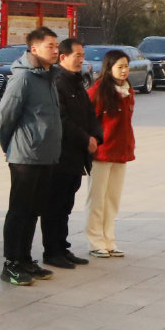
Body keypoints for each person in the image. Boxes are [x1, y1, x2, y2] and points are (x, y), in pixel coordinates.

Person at [0, 27, 62, 285]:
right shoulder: (23, 78)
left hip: (45, 155)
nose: (55, 51)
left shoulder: (48, 76)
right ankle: (10, 263)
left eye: (56, 46)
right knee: (19, 210)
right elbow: (4, 118)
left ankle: (24, 259)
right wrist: (10, 146)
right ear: (34, 49)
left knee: (34, 210)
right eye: (50, 46)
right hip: (25, 156)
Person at [41, 38, 97, 271]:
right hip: (60, 155)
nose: (81, 60)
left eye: (83, 55)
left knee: (66, 205)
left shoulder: (76, 82)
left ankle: (62, 247)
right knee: (54, 205)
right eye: (77, 55)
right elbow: (61, 120)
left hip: (76, 156)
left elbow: (89, 114)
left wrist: (95, 136)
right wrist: (85, 138)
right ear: (63, 57)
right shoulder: (57, 82)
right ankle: (51, 251)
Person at [86, 50, 136, 259]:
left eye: (126, 66)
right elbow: (88, 120)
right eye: (120, 67)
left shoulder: (128, 90)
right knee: (97, 199)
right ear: (109, 68)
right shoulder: (98, 91)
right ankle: (96, 241)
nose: (124, 71)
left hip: (121, 151)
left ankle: (109, 240)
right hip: (102, 152)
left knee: (113, 198)